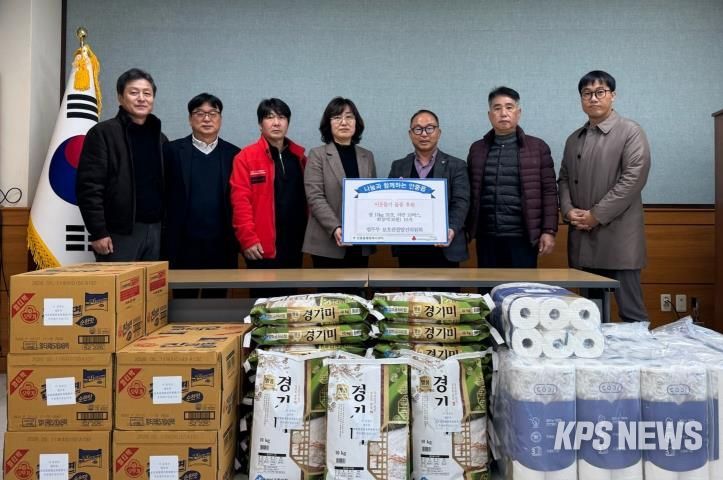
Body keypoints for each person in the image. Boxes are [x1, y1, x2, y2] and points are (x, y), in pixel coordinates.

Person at [558, 70, 651, 322]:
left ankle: (639, 349)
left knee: (631, 312)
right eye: (587, 93)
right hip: (582, 234)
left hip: (619, 236)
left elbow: (633, 179)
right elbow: (563, 178)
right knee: (589, 315)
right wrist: (568, 210)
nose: (593, 98)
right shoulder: (574, 139)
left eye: (600, 92)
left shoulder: (630, 131)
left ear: (613, 95)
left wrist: (596, 215)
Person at [77, 68, 166, 261]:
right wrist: (98, 232)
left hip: (156, 231)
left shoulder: (160, 138)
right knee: (119, 282)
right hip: (119, 233)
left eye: (147, 93)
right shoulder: (103, 133)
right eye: (134, 92)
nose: (141, 98)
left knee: (153, 282)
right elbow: (89, 187)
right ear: (120, 97)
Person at [465, 86, 558, 268]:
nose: (503, 113)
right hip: (486, 236)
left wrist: (549, 230)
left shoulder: (538, 147)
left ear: (518, 113)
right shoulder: (477, 149)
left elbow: (549, 192)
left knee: (521, 286)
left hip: (523, 237)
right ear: (490, 115)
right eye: (497, 108)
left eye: (509, 107)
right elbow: (469, 192)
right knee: (488, 286)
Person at [163, 93, 240, 298]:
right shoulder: (171, 151)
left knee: (216, 302)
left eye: (213, 113)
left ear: (220, 118)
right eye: (199, 113)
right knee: (182, 301)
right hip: (182, 243)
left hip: (221, 243)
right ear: (190, 119)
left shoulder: (234, 154)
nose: (207, 119)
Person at [229, 98, 307, 280]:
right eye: (270, 117)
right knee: (263, 296)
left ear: (288, 123)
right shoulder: (245, 157)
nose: (276, 122)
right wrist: (248, 239)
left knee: (292, 295)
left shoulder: (300, 157)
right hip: (261, 246)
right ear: (260, 124)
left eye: (281, 117)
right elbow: (240, 202)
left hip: (295, 243)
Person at [388, 109, 469, 267]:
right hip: (408, 250)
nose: (424, 134)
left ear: (439, 132)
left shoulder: (457, 166)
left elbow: (461, 202)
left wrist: (450, 229)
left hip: (445, 248)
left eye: (430, 128)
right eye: (418, 129)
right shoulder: (398, 166)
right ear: (410, 134)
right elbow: (390, 203)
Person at [303, 97, 376, 268]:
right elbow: (315, 197)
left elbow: (372, 198)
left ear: (356, 122)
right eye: (337, 117)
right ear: (328, 123)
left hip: (361, 241)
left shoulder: (367, 156)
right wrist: (336, 227)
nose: (344, 122)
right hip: (327, 242)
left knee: (359, 286)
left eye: (349, 117)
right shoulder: (317, 155)